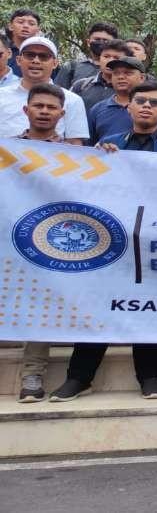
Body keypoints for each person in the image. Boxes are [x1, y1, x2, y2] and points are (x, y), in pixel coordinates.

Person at [49, 81, 157, 403]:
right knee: (101, 305)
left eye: (154, 103)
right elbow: (86, 188)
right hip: (111, 242)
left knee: (150, 307)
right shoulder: (107, 145)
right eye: (140, 101)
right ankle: (78, 377)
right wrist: (99, 161)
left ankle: (151, 377)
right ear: (128, 107)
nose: (146, 106)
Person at [11, 83, 73, 402]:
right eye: (39, 106)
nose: (45, 112)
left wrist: (110, 158)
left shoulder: (76, 156)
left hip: (47, 243)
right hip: (7, 240)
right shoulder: (6, 151)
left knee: (38, 307)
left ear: (62, 114)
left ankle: (32, 374)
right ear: (27, 110)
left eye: (51, 108)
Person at [0, 36, 89, 143]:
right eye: (30, 55)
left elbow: (75, 145)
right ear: (19, 60)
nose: (36, 60)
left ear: (55, 63)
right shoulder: (2, 95)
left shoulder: (72, 100)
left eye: (44, 56)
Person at [87, 56, 157, 143]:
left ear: (142, 78)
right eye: (116, 73)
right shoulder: (97, 109)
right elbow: (89, 147)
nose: (121, 77)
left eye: (128, 73)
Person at [70, 38, 132, 113]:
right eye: (106, 56)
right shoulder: (81, 85)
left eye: (116, 58)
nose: (110, 61)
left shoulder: (131, 90)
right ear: (100, 59)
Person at [55, 22, 119, 89]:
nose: (101, 43)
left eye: (106, 40)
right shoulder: (71, 67)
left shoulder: (122, 69)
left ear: (115, 44)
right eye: (97, 39)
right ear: (88, 42)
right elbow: (56, 94)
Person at [4, 9, 41, 77]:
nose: (26, 26)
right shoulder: (3, 51)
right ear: (11, 26)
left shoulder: (45, 54)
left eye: (31, 24)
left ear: (38, 30)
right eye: (20, 22)